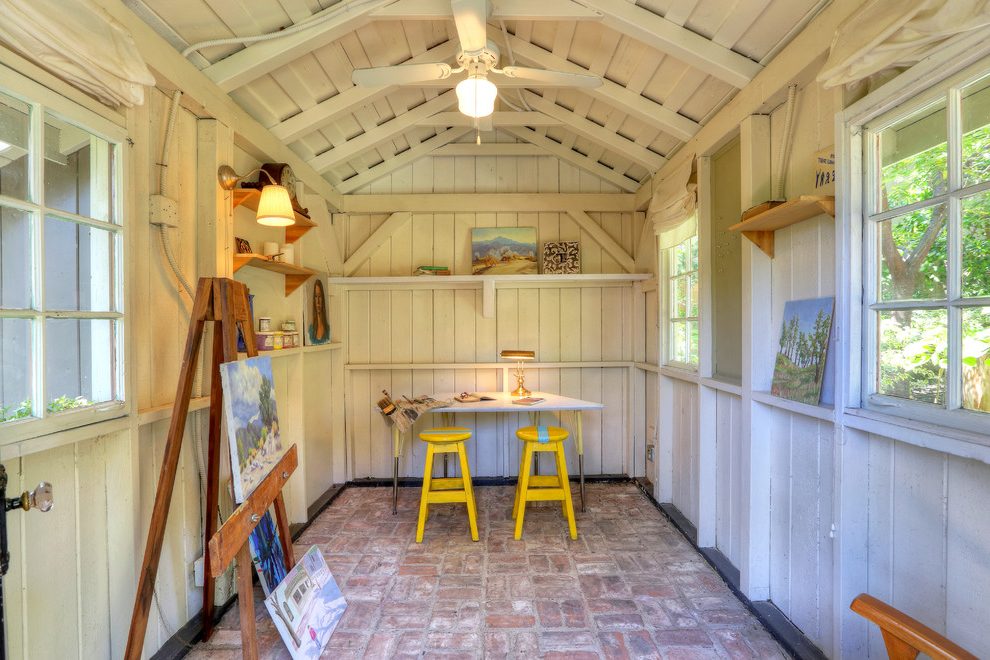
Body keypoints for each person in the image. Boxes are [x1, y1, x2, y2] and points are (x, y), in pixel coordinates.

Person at [308, 279, 330, 344]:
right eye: (315, 296)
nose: (317, 301)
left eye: (319, 296)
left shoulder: (328, 330)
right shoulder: (310, 330)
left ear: (323, 299)